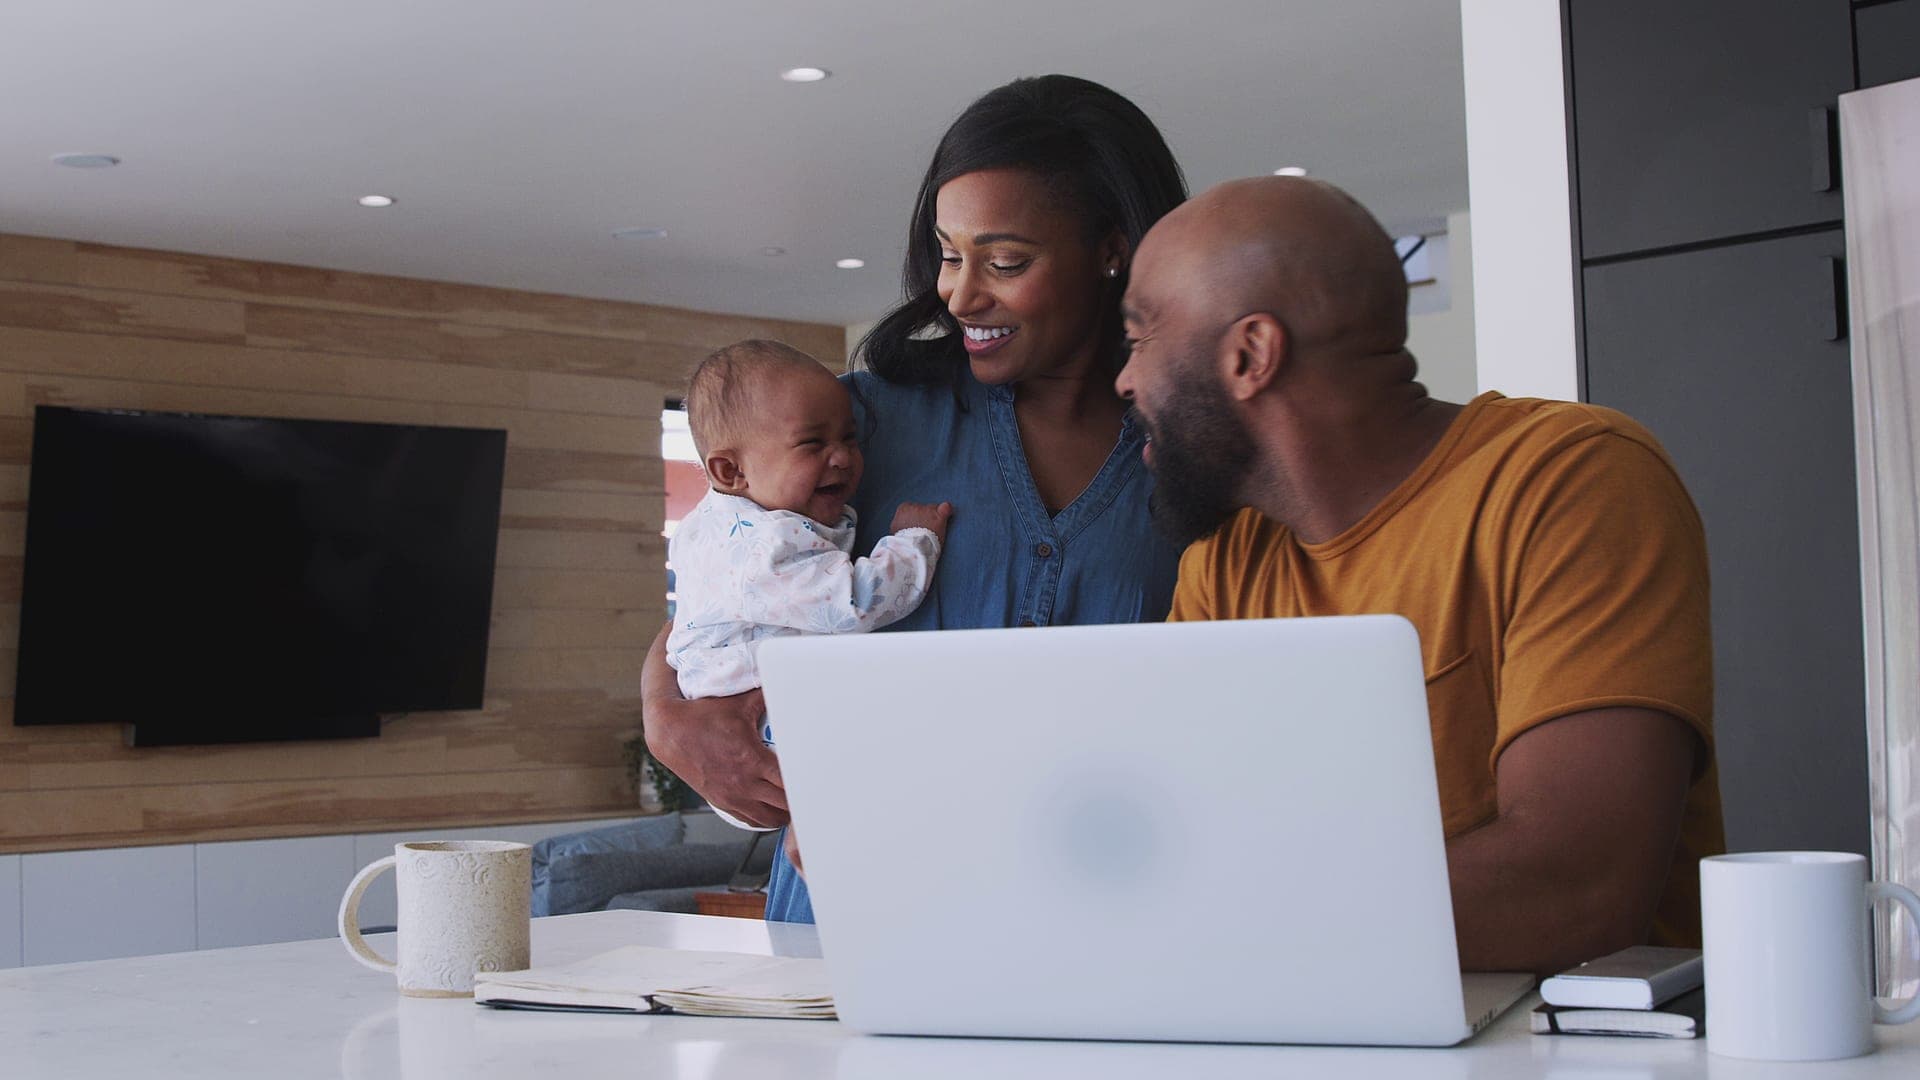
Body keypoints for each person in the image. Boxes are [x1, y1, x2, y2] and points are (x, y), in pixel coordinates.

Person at [1114, 175, 1724, 975]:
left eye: (1140, 339)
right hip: (1317, 1016)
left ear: (1249, 355)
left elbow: (1579, 885)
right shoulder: (1227, 562)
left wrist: (1204, 916)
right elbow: (1175, 843)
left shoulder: (1570, 480)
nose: (1125, 381)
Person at [643, 74, 1190, 922]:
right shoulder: (856, 428)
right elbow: (732, 583)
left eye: (1005, 261)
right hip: (846, 919)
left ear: (1112, 248)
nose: (959, 294)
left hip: (1092, 912)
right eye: (948, 253)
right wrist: (665, 718)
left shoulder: (1193, 450)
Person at [665, 341, 953, 832]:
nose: (842, 457)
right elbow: (855, 603)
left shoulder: (707, 524)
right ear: (731, 471)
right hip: (763, 730)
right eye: (812, 444)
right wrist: (913, 542)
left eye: (850, 438)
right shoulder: (767, 544)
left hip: (734, 718)